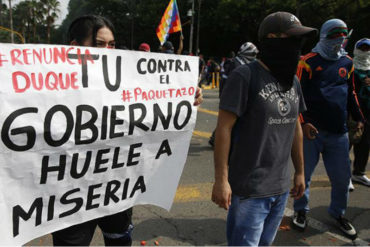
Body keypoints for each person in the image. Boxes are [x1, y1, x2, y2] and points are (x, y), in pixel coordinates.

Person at [52, 15, 203, 246]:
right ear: (74, 46)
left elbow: (157, 106)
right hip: (72, 197)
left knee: (120, 240)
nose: (108, 50)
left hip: (116, 189)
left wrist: (185, 96)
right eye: (99, 44)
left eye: (111, 44)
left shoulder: (128, 80)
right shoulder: (48, 87)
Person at [211, 12, 317, 246]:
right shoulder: (245, 76)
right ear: (271, 38)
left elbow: (296, 127)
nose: (296, 46)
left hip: (280, 188)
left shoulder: (293, 80)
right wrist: (221, 180)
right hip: (250, 191)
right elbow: (223, 130)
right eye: (292, 38)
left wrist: (300, 172)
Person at [293, 19, 364, 240]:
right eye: (334, 35)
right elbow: (297, 95)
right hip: (312, 132)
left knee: (342, 178)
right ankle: (300, 210)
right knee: (304, 175)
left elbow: (351, 92)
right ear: (324, 35)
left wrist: (359, 117)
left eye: (343, 36)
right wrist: (304, 122)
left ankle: (338, 213)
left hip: (339, 133)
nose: (339, 40)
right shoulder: (308, 62)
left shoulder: (348, 62)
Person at [350, 38, 370, 188]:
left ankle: (358, 173)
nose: (365, 52)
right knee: (348, 142)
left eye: (367, 49)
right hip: (353, 110)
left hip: (368, 111)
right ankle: (345, 176)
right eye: (362, 48)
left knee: (365, 143)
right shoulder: (350, 66)